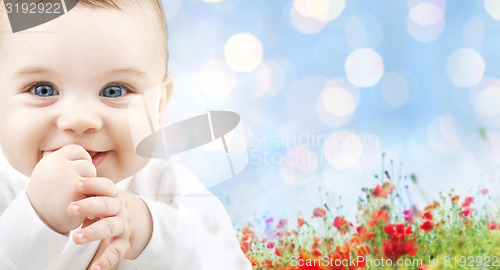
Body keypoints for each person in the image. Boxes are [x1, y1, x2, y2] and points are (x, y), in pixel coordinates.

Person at [0, 1, 252, 269]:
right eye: (43, 90)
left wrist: (150, 232)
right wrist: (37, 218)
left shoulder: (171, 190)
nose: (80, 120)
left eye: (114, 91)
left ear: (158, 106)